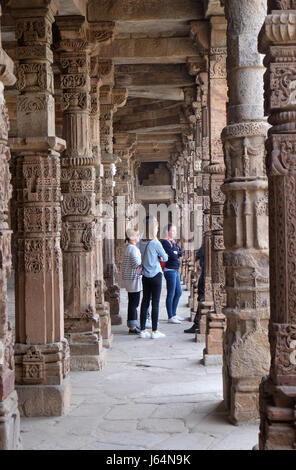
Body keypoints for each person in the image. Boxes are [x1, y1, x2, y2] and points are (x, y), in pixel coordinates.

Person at [139, 216, 168, 339]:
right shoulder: (155, 242)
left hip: (145, 275)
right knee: (155, 303)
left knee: (145, 301)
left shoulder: (140, 242)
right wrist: (159, 257)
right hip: (155, 275)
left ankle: (143, 330)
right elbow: (165, 257)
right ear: (153, 227)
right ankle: (155, 331)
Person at [161, 224, 183, 324]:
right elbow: (172, 255)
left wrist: (176, 252)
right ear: (167, 231)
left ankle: (174, 314)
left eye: (175, 231)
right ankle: (170, 316)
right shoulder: (165, 242)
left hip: (175, 270)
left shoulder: (173, 242)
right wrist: (176, 252)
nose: (175, 233)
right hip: (169, 270)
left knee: (178, 292)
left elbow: (180, 252)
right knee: (171, 293)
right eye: (173, 231)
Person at [122, 229, 142, 334]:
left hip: (130, 278)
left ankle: (132, 324)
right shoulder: (132, 249)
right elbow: (136, 265)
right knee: (134, 303)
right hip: (133, 278)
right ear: (133, 238)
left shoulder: (129, 248)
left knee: (132, 302)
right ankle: (132, 327)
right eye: (137, 236)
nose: (138, 238)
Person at [184, 244, 205, 334]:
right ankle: (197, 324)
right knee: (201, 299)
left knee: (201, 299)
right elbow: (196, 257)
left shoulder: (206, 244)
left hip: (205, 276)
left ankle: (197, 324)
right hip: (205, 276)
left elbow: (196, 257)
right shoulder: (206, 245)